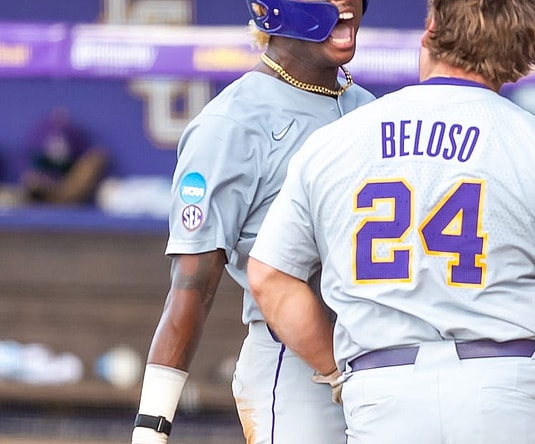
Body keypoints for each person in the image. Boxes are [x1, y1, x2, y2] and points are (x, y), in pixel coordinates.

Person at [247, 0, 535, 443]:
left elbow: (268, 277)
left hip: (382, 393)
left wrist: (333, 369)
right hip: (506, 391)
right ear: (523, 56)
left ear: (431, 27)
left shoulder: (331, 142)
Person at [131, 1, 374, 443]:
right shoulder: (230, 124)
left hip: (380, 358)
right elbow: (191, 287)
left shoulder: (368, 108)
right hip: (294, 366)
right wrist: (152, 427)